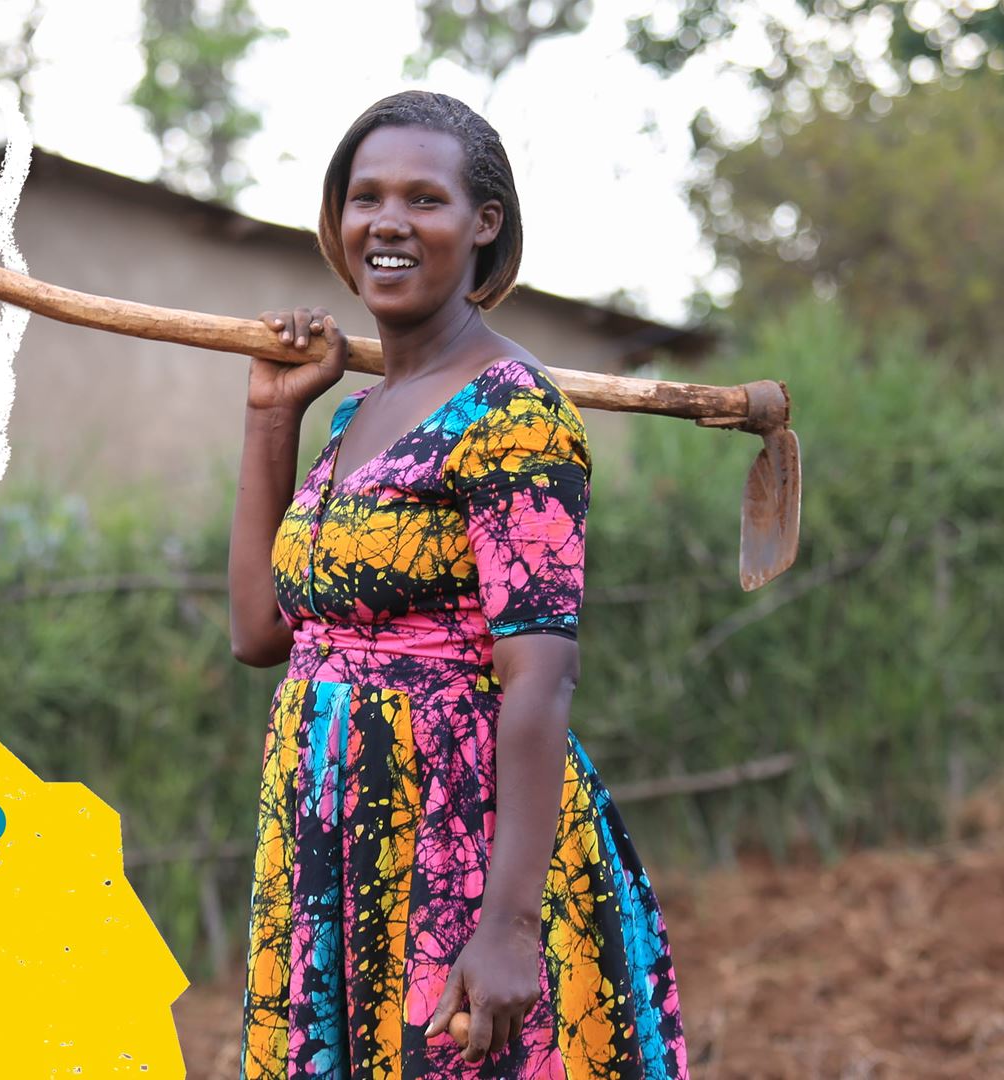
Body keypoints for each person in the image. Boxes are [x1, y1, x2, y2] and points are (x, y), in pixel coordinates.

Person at [226, 91, 688, 1079]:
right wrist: (273, 416)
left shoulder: (514, 416)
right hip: (332, 839)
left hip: (454, 840)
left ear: (484, 226)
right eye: (366, 199)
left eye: (423, 199)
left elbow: (540, 679)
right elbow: (263, 633)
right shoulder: (356, 414)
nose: (387, 222)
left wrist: (510, 926)